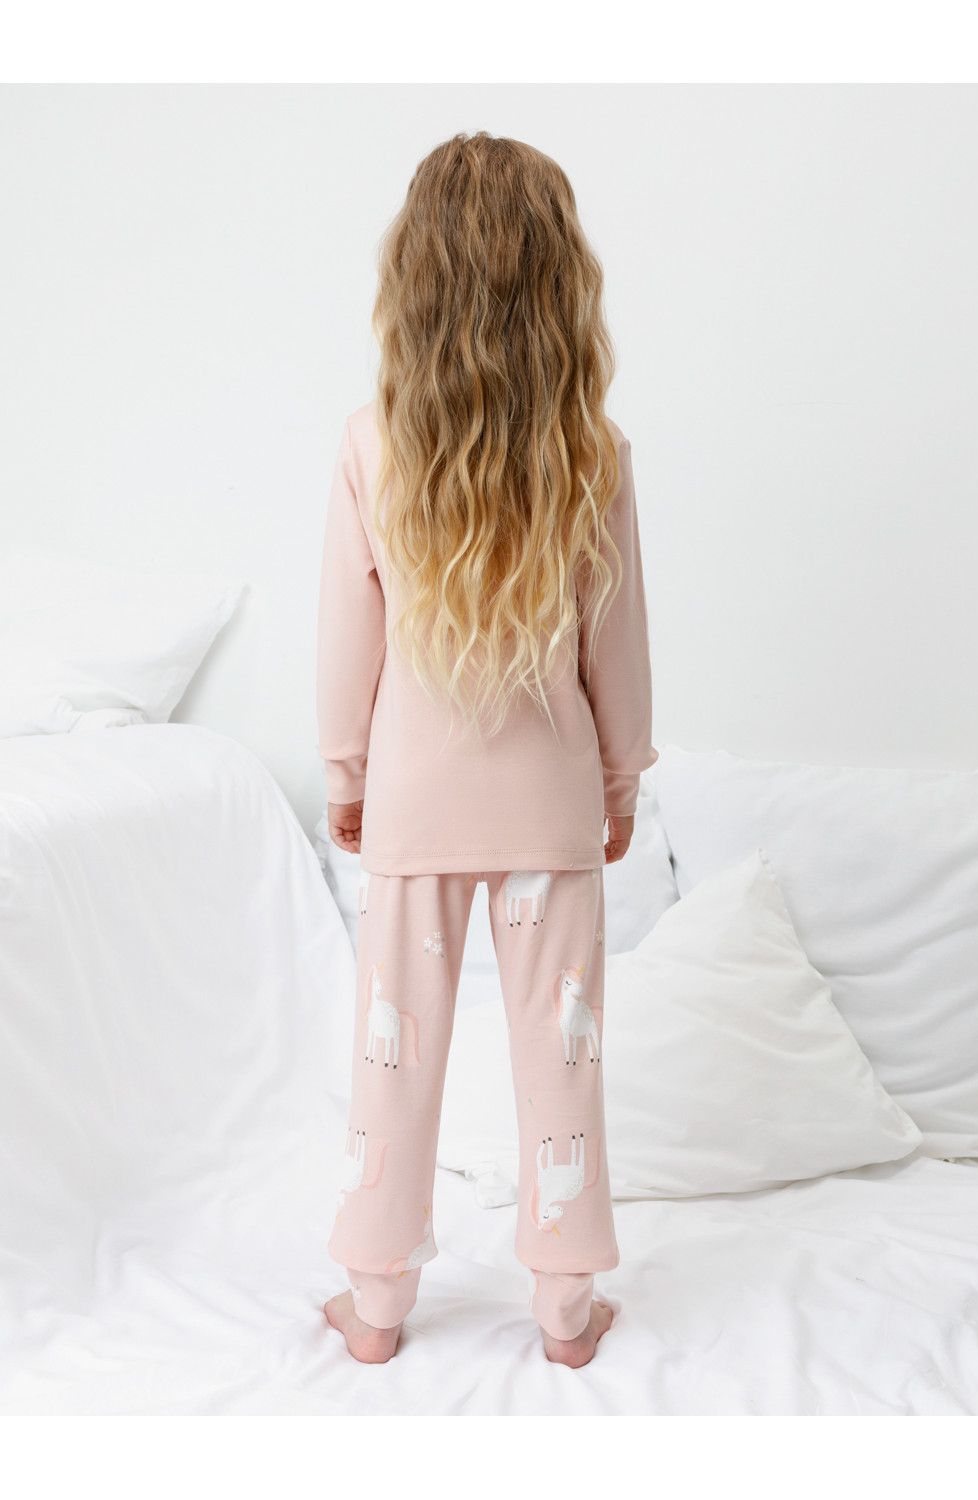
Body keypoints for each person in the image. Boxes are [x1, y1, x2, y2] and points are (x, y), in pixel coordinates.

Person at [316, 130, 657, 1368]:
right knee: (561, 1061)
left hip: (414, 805)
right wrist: (618, 781)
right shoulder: (592, 451)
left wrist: (347, 777)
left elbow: (346, 639)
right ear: (556, 278)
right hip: (548, 811)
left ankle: (376, 1304)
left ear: (417, 274)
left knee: (391, 1058)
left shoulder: (371, 441)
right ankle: (564, 1311)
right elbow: (617, 643)